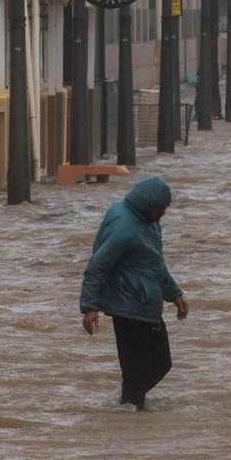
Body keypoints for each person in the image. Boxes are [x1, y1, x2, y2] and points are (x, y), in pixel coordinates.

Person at [79, 175, 188, 410]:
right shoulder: (125, 229)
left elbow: (153, 263)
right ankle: (129, 413)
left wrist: (174, 294)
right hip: (127, 309)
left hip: (146, 306)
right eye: (161, 209)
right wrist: (89, 307)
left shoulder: (148, 223)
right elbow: (97, 266)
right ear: (149, 205)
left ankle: (127, 404)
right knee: (137, 371)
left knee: (161, 364)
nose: (164, 213)